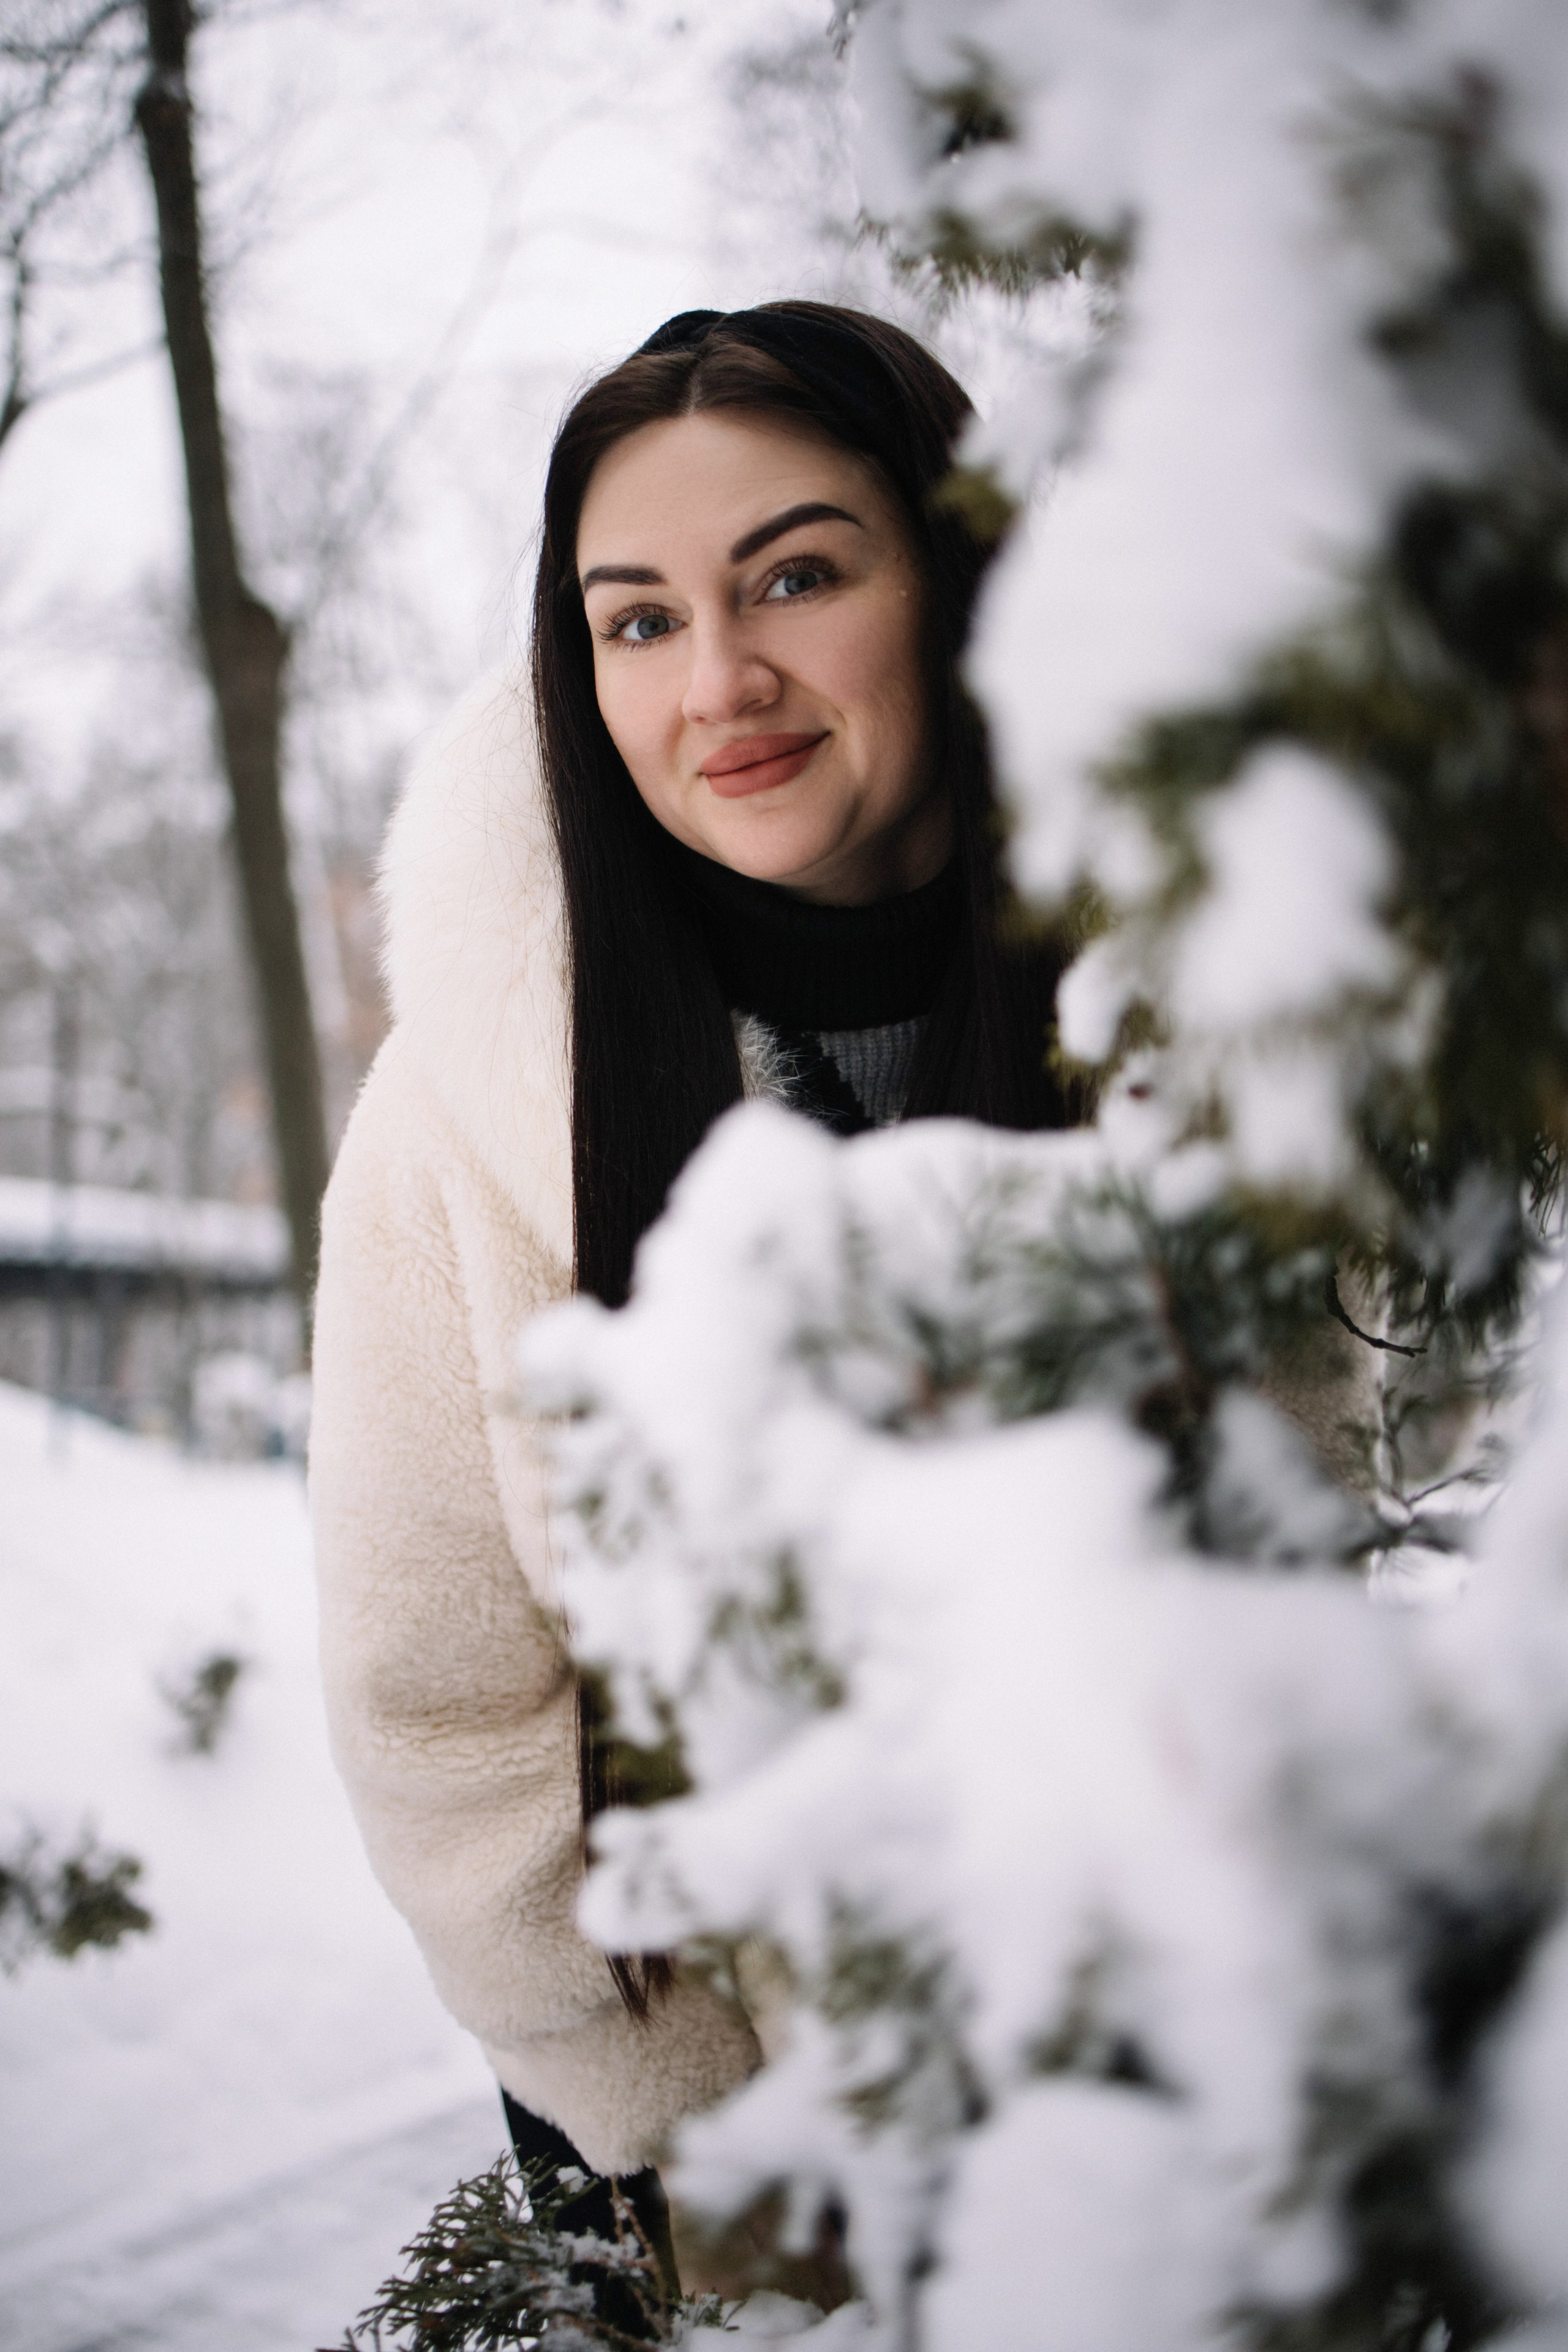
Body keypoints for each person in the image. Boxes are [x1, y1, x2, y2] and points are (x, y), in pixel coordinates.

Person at [308, 303, 1074, 2294]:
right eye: (634, 619)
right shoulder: (474, 1109)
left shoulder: (1234, 1017)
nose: (717, 679)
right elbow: (444, 1706)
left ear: (959, 568)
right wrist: (735, 2154)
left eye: (797, 575)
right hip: (737, 2176)